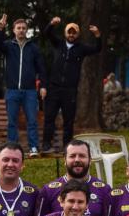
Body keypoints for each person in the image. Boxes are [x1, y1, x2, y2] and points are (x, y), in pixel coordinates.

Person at [41, 17, 102, 153]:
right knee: (49, 117)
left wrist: (97, 35)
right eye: (69, 32)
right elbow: (47, 34)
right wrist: (51, 24)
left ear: (78, 34)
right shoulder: (59, 44)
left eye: (74, 33)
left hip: (70, 90)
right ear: (65, 33)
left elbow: (97, 49)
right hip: (54, 88)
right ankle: (46, 145)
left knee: (68, 119)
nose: (71, 35)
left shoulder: (81, 48)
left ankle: (67, 146)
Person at [0, 14, 47, 157]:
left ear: (27, 30)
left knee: (32, 120)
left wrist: (43, 85)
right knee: (12, 121)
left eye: (24, 28)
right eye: (18, 28)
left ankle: (34, 147)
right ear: (13, 30)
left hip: (30, 91)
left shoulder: (33, 48)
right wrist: (0, 29)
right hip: (12, 90)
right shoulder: (8, 46)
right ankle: (12, 149)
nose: (21, 30)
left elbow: (41, 68)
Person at [36, 140, 111, 216]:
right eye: (72, 156)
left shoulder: (105, 190)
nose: (77, 160)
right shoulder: (48, 191)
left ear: (90, 160)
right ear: (65, 160)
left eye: (82, 156)